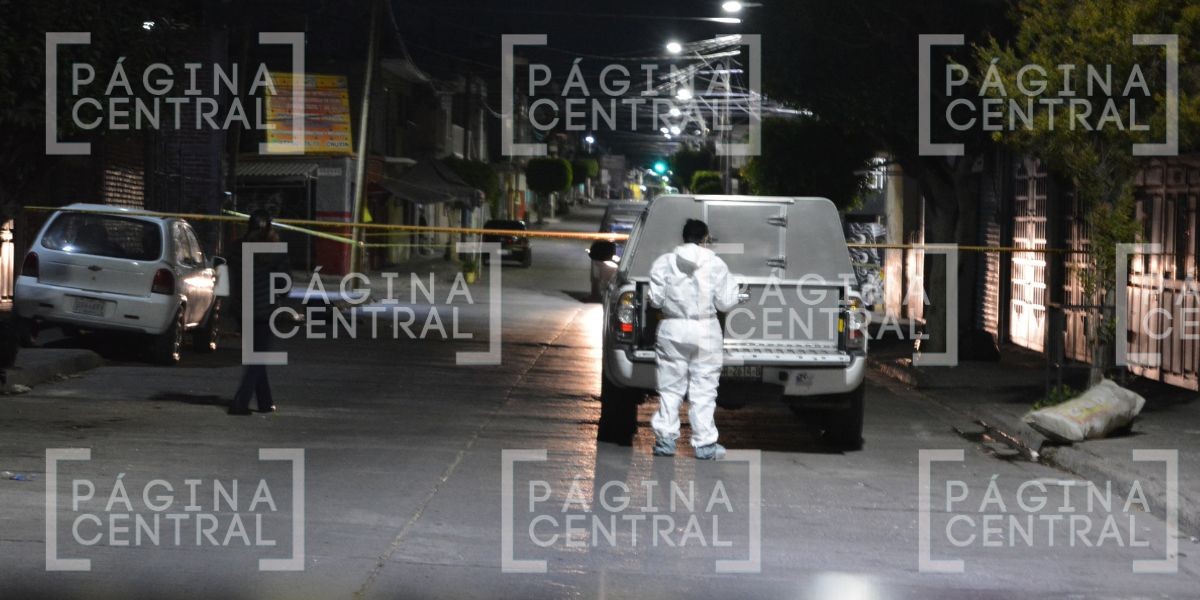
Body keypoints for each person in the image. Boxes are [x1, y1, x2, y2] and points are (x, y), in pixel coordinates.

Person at [647, 219, 740, 460]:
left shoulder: (664, 263)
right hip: (705, 329)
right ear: (705, 238)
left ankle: (666, 442)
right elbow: (725, 303)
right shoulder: (716, 264)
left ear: (684, 236)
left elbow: (655, 300)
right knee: (704, 390)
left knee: (670, 388)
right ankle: (705, 445)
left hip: (672, 328)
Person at [229, 209, 288, 416]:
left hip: (241, 308)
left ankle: (265, 401)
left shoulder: (237, 248)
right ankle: (240, 402)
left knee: (253, 355)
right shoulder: (275, 251)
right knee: (257, 357)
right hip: (264, 311)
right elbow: (283, 283)